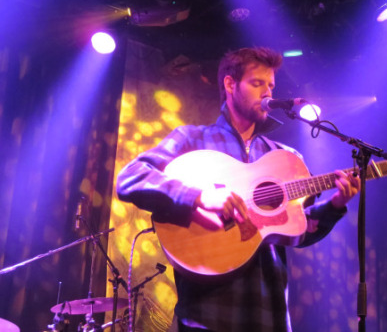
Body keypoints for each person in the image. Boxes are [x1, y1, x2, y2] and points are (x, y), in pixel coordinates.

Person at [116, 47, 360, 332]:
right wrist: (200, 196)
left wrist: (335, 204)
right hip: (205, 315)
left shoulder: (285, 158)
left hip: (268, 314)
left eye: (271, 85)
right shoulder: (192, 139)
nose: (267, 93)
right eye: (257, 84)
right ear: (230, 85)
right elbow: (131, 178)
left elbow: (300, 230)